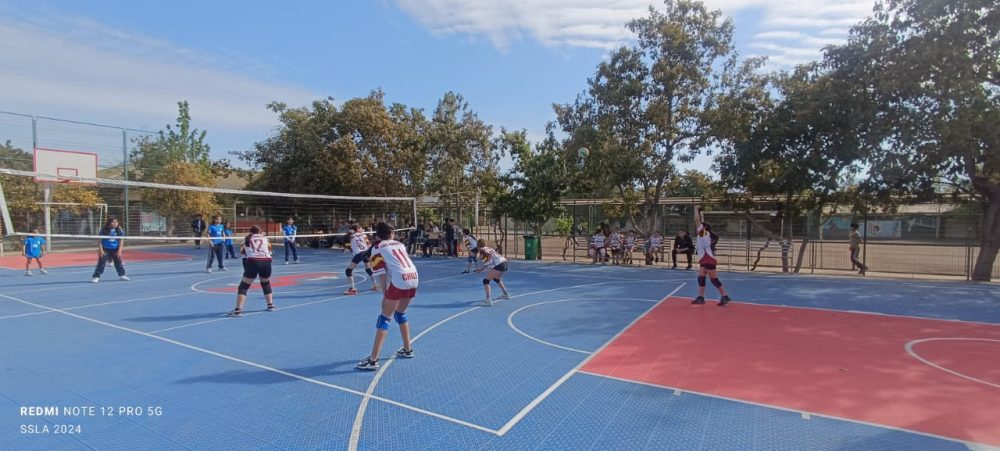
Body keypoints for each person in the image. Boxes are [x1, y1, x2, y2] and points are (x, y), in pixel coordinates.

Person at [356, 222, 418, 371]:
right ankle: (408, 349)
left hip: (400, 279)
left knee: (384, 317)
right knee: (401, 313)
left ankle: (373, 360)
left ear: (378, 235)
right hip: (414, 277)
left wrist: (385, 295)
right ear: (392, 234)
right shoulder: (399, 244)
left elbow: (381, 275)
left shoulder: (377, 248)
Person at [227, 225, 275, 316]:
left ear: (251, 232)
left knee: (243, 286)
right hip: (266, 262)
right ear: (260, 232)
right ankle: (270, 305)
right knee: (266, 283)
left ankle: (237, 310)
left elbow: (243, 255)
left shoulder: (246, 239)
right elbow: (270, 251)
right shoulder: (266, 239)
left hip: (253, 262)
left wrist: (247, 269)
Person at [692, 206, 731, 306]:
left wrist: (696, 209)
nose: (697, 227)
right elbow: (699, 221)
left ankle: (725, 296)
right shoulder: (703, 234)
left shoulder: (704, 233)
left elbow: (697, 220)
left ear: (704, 228)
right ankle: (701, 297)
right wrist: (700, 212)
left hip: (708, 259)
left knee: (713, 279)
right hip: (704, 259)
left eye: (700, 226)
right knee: (701, 277)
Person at [91, 217, 129, 283]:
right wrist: (101, 250)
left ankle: (122, 275)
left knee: (118, 263)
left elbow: (121, 240)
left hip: (115, 249)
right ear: (109, 222)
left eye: (116, 222)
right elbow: (99, 240)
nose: (115, 223)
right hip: (105, 249)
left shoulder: (119, 230)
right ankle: (96, 277)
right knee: (101, 263)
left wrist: (119, 250)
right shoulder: (104, 229)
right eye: (113, 222)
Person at [344, 225, 379, 295]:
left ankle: (353, 289)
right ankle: (375, 285)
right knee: (368, 269)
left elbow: (346, 242)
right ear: (357, 229)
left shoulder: (350, 235)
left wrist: (347, 248)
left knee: (348, 271)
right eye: (361, 228)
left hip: (359, 254)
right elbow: (369, 244)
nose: (362, 229)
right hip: (367, 252)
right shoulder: (363, 234)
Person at [475, 240, 511, 306]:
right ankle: (506, 294)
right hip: (505, 263)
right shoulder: (489, 248)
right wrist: (482, 269)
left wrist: (481, 269)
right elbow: (491, 262)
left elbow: (489, 262)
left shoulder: (482, 251)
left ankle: (488, 300)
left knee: (486, 280)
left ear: (478, 245)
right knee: (496, 278)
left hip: (499, 265)